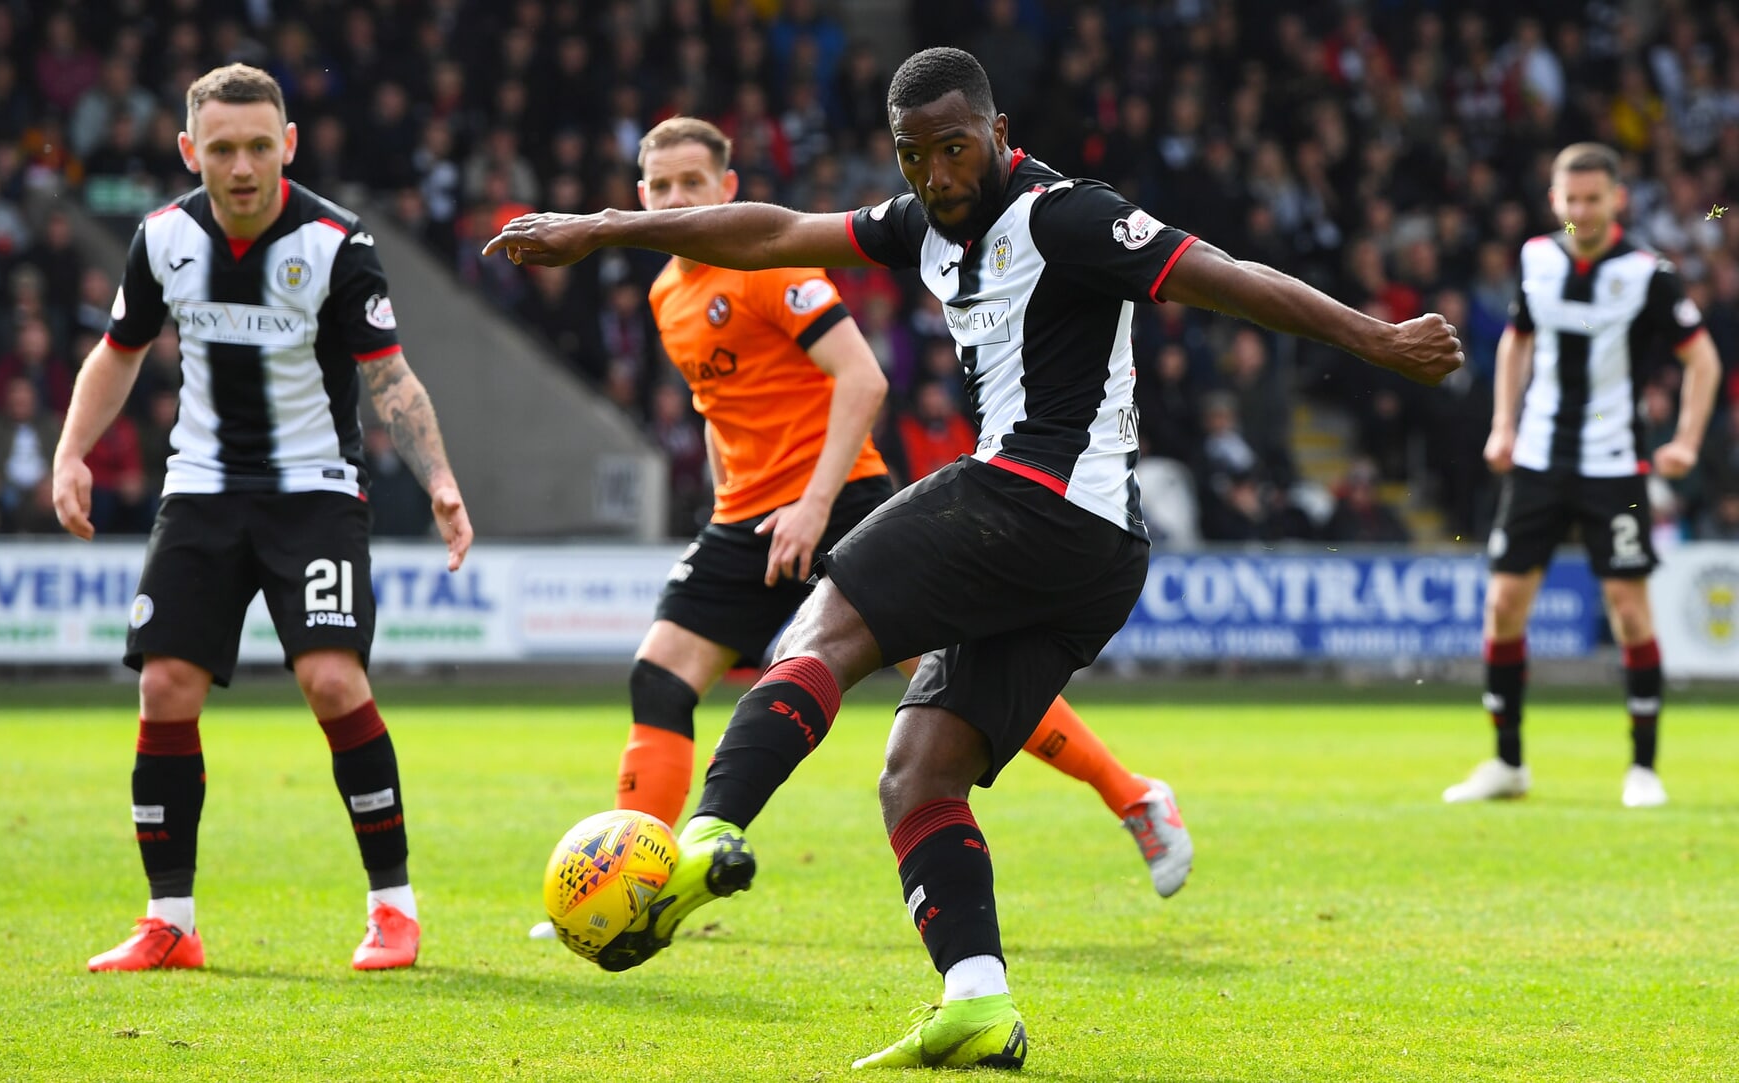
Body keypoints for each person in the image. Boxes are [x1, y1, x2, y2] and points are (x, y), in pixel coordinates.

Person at [488, 48, 1459, 1071]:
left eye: (955, 151)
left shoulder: (1066, 215)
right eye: (915, 157)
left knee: (826, 625)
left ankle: (703, 836)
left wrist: (1377, 341)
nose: (937, 176)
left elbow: (1227, 278)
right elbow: (771, 231)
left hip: (1037, 494)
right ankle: (979, 1003)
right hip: (1093, 553)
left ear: (997, 135)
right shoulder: (921, 223)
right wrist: (601, 229)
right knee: (917, 775)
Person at [526, 117, 1191, 944]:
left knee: (950, 681)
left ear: (725, 190)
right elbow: (717, 408)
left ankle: (1133, 795)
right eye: (659, 188)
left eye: (691, 185)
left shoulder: (774, 275)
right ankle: (633, 883)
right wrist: (727, 492)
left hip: (832, 497)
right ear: (640, 196)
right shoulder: (668, 294)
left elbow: (862, 376)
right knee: (659, 679)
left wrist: (812, 500)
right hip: (745, 518)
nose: (674, 200)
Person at [54, 64, 473, 973]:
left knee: (331, 679)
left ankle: (393, 909)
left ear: (286, 144)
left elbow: (388, 376)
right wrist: (70, 451)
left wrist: (437, 476)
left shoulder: (334, 241)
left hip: (313, 491)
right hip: (200, 488)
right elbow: (118, 352)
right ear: (188, 151)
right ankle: (171, 921)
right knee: (164, 687)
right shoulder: (163, 237)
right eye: (221, 148)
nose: (240, 166)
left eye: (257, 146)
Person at [1444, 143, 1720, 809]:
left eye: (1594, 198)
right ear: (1555, 201)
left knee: (1629, 611)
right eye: (1571, 199)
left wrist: (1684, 441)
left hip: (1613, 462)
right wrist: (1504, 423)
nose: (1582, 210)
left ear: (1617, 199)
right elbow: (1518, 339)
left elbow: (1702, 360)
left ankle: (1644, 768)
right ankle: (1508, 762)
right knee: (1504, 606)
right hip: (1538, 457)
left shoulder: (1648, 272)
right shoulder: (1537, 259)